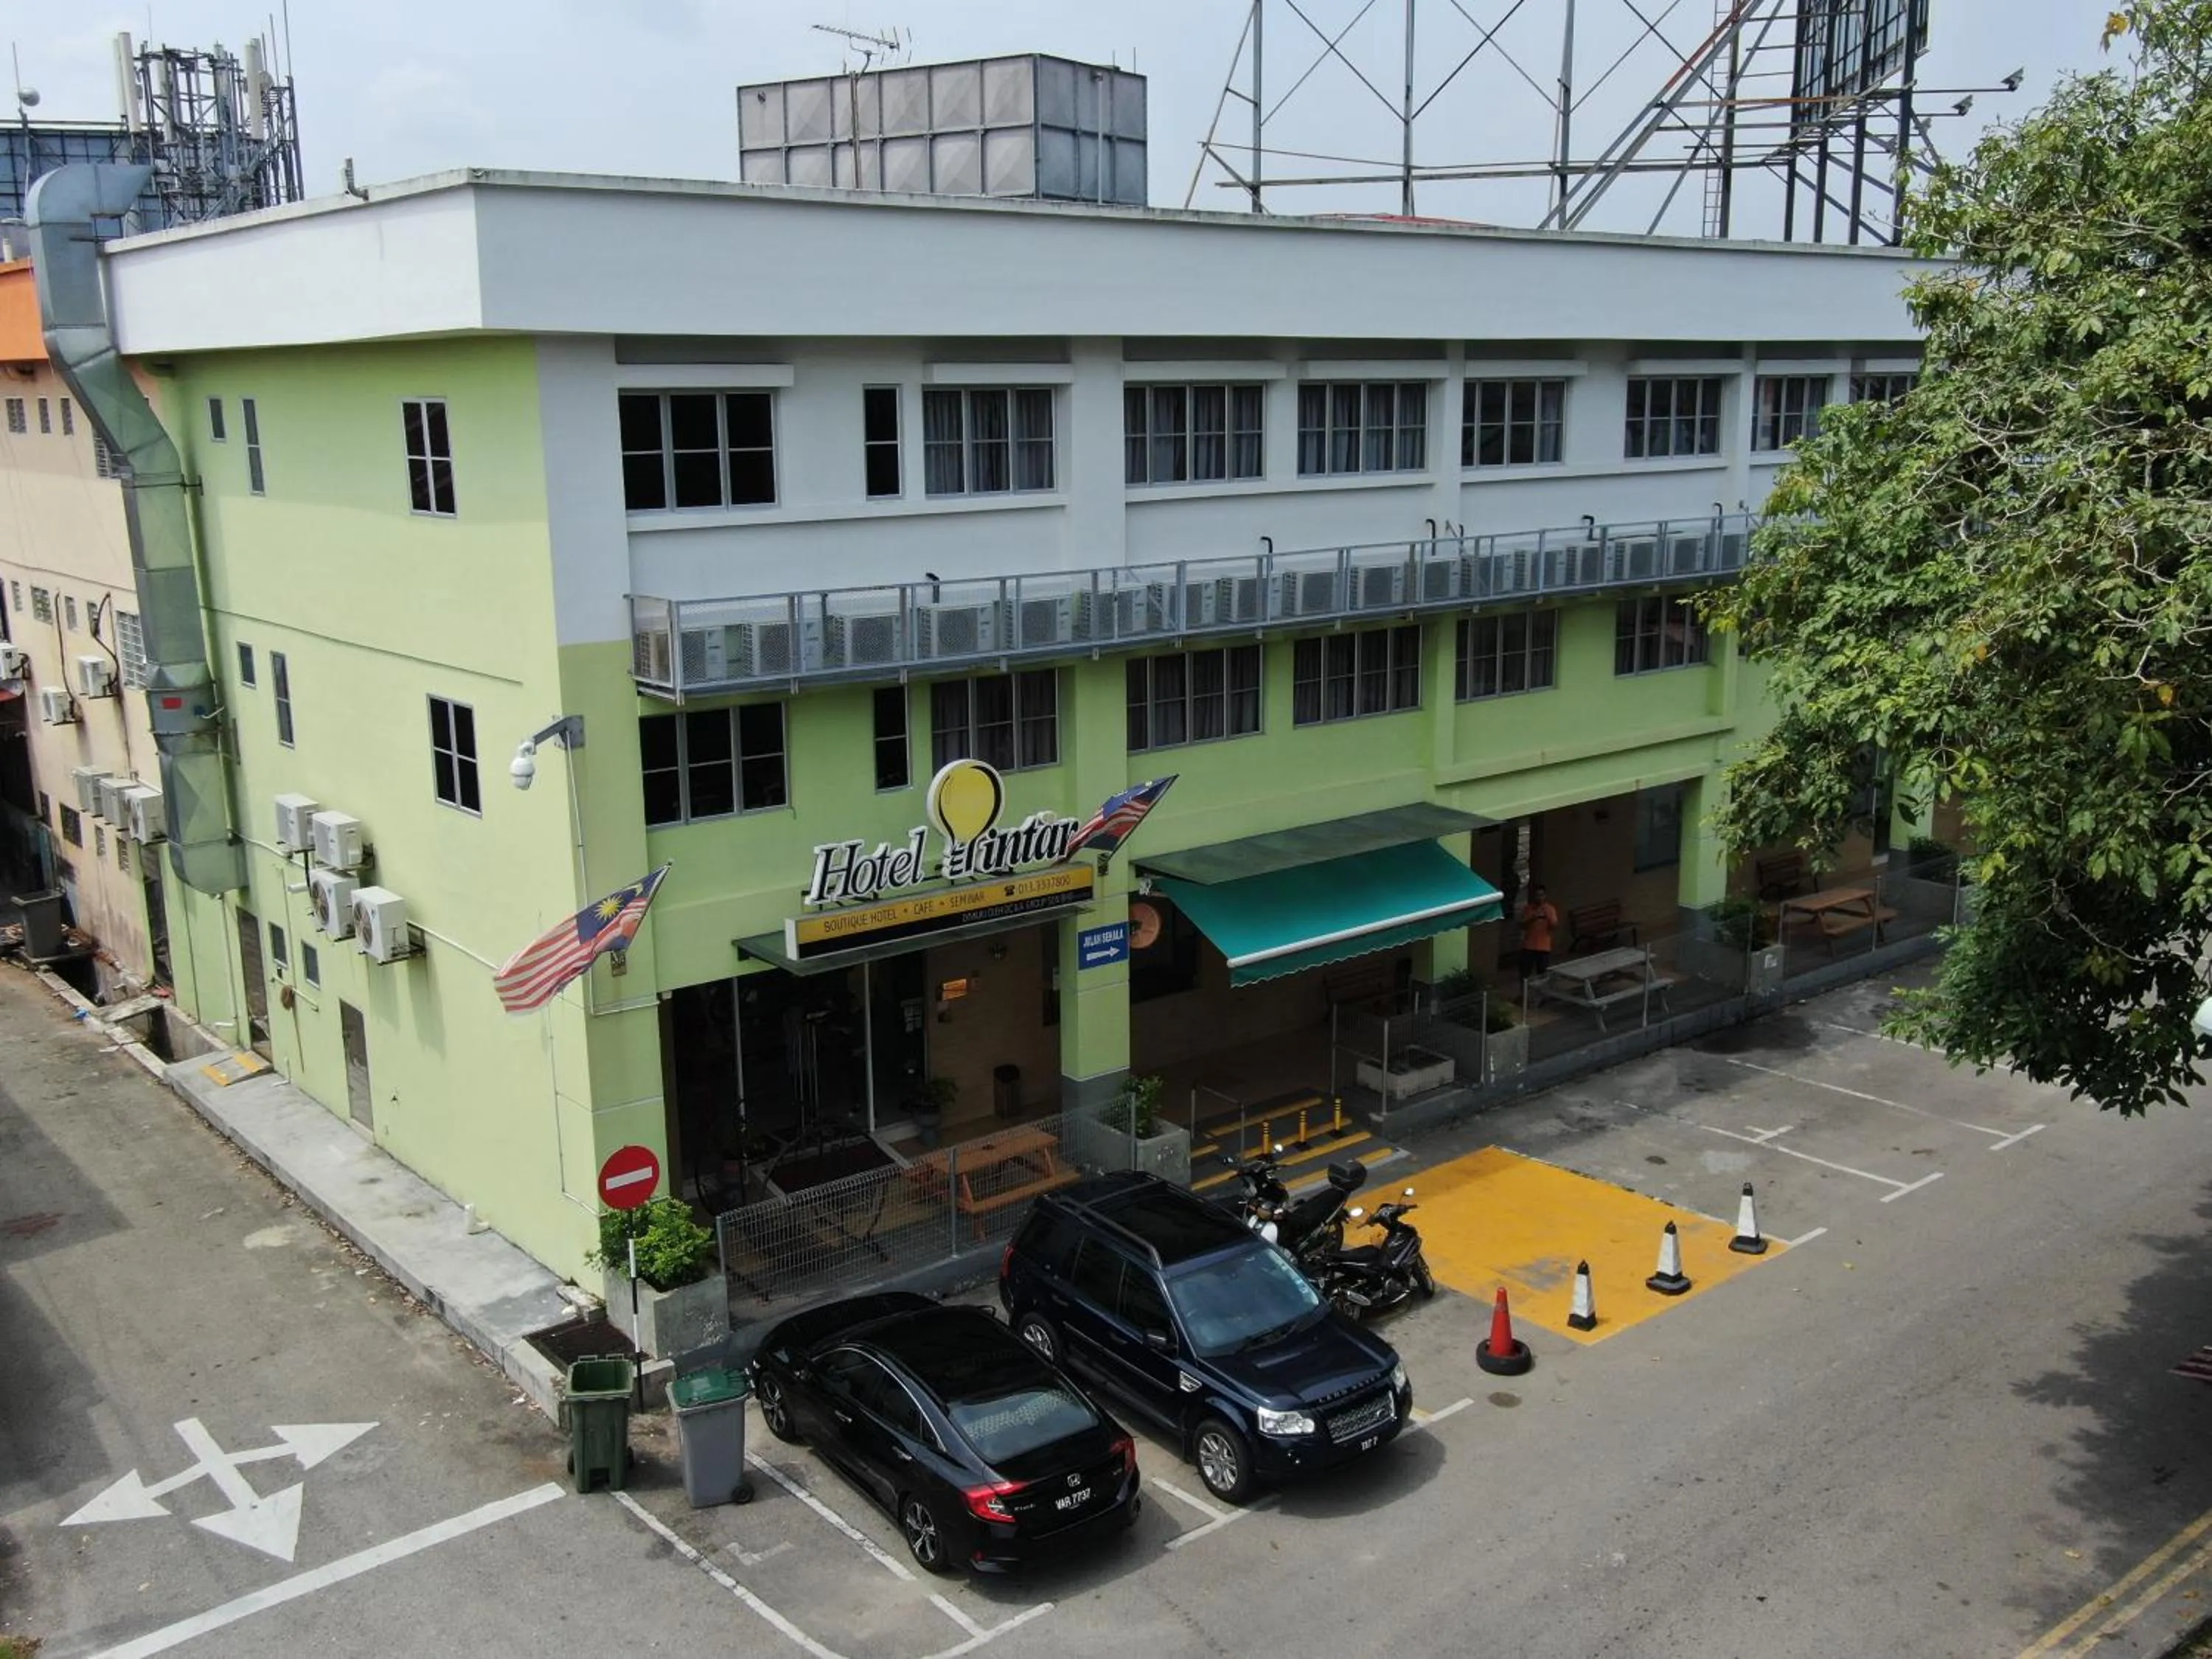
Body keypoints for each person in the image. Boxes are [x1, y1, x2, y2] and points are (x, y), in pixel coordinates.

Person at [1518, 884, 1559, 983]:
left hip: (1544, 947)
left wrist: (1547, 915)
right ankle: (1523, 995)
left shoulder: (1550, 909)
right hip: (1529, 946)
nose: (1539, 898)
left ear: (1545, 896)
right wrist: (1533, 918)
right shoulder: (1528, 909)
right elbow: (1522, 925)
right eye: (1537, 895)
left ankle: (1541, 996)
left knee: (1542, 974)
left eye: (1542, 895)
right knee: (1525, 973)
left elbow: (1554, 925)